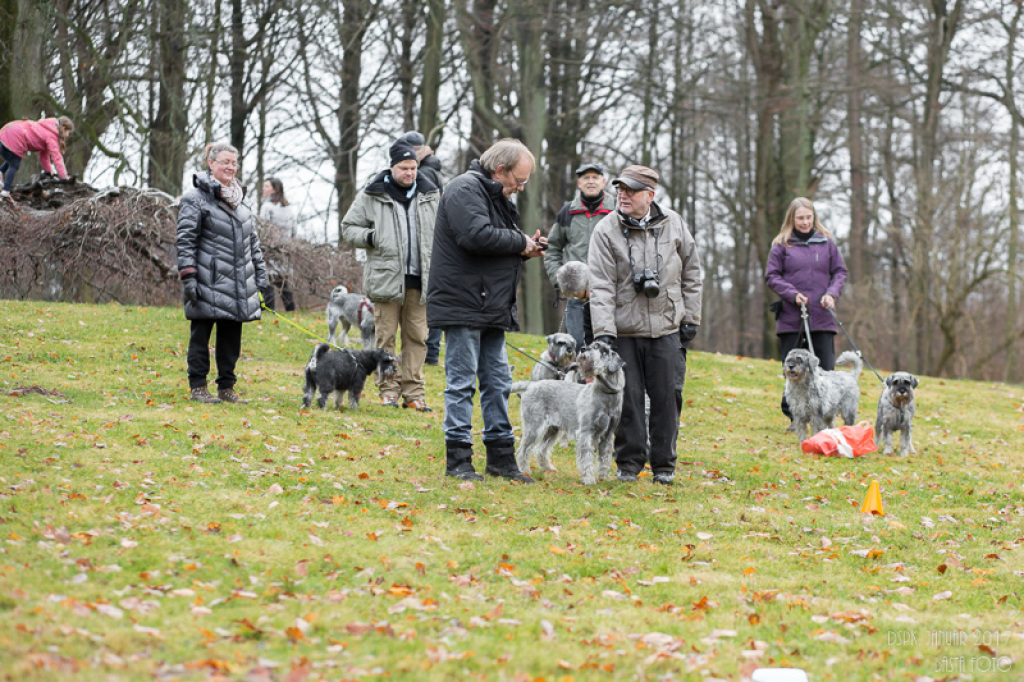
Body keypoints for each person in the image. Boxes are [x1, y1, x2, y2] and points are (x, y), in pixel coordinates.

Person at [427, 138, 546, 482]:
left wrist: (525, 249)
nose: (520, 187)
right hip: (464, 303)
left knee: (498, 382)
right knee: (462, 383)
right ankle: (459, 460)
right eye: (518, 180)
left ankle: (501, 458)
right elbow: (476, 236)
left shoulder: (497, 196)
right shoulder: (464, 189)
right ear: (500, 169)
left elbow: (497, 242)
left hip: (491, 304)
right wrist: (520, 242)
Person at [588, 165, 703, 486]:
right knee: (628, 400)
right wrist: (604, 333)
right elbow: (600, 285)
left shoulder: (674, 223)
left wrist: (691, 318)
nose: (623, 195)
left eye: (631, 190)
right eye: (620, 189)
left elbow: (692, 273)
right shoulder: (605, 230)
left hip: (667, 328)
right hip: (623, 331)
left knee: (668, 398)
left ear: (650, 195)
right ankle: (629, 464)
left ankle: (664, 465)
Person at [341, 138, 440, 411]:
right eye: (404, 168)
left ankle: (414, 393)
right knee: (385, 339)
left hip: (421, 280)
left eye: (413, 168)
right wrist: (371, 237)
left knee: (417, 338)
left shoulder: (431, 194)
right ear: (392, 167)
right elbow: (348, 228)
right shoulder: (372, 194)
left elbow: (443, 232)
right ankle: (388, 391)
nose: (410, 173)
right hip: (385, 280)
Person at [176, 142, 268, 404]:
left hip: (239, 283)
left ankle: (227, 388)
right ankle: (198, 388)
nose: (230, 167)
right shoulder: (195, 198)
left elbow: (253, 243)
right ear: (211, 163)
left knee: (230, 339)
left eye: (234, 163)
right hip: (207, 279)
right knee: (200, 336)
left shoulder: (242, 202)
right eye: (225, 162)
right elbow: (185, 240)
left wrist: (260, 276)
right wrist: (189, 275)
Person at [765, 196, 848, 424]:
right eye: (800, 218)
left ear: (814, 217)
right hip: (792, 318)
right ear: (792, 219)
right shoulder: (781, 245)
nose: (804, 222)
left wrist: (831, 294)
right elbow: (772, 276)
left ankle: (825, 417)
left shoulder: (826, 242)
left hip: (822, 316)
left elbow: (840, 272)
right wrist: (792, 294)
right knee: (793, 369)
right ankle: (795, 417)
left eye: (808, 217)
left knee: (825, 368)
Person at [543, 162, 613, 350]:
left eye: (595, 177)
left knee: (606, 347)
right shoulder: (567, 212)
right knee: (577, 346)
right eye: (586, 178)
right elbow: (552, 249)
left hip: (609, 293)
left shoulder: (616, 210)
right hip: (576, 295)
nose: (591, 181)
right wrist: (559, 280)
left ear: (603, 181)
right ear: (579, 183)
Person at [398, 130, 445, 365]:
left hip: (426, 247)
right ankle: (431, 352)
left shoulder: (424, 173)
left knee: (427, 303)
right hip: (435, 245)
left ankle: (430, 353)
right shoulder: (434, 169)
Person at [0, 116, 74, 198]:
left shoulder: (47, 127)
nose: (67, 135)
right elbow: (57, 158)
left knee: (12, 158)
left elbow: (43, 155)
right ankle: (5, 191)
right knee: (14, 164)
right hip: (17, 135)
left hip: (10, 130)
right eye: (68, 132)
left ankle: (0, 172)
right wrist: (63, 177)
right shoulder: (52, 136)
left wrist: (48, 172)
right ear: (63, 128)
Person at [258, 177, 297, 311]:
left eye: (267, 186)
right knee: (282, 280)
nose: (264, 189)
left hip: (269, 249)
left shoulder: (266, 207)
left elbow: (263, 229)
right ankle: (290, 309)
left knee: (267, 278)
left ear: (274, 189)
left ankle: (269, 309)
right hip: (285, 250)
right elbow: (294, 230)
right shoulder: (289, 209)